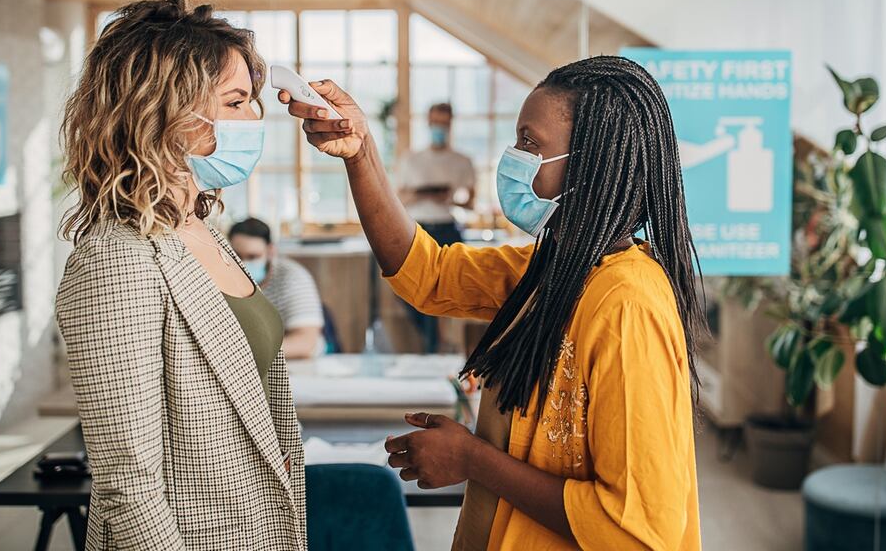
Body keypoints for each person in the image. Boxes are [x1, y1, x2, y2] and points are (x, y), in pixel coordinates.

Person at [279, 55, 704, 550]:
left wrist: (473, 459)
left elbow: (636, 529)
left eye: (531, 144)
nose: (514, 157)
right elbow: (427, 273)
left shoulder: (628, 304)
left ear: (592, 164)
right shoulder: (553, 269)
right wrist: (360, 153)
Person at [56, 0, 305, 551]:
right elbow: (130, 489)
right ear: (165, 110)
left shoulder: (201, 229)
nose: (255, 119)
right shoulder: (114, 260)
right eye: (236, 101)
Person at [396, 103, 477, 352]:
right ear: (428, 123)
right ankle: (431, 342)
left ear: (450, 124)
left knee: (447, 291)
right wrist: (422, 194)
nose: (439, 128)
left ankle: (441, 346)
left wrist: (449, 198)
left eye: (444, 123)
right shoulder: (411, 160)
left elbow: (471, 203)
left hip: (448, 229)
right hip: (418, 229)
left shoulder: (462, 161)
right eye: (435, 122)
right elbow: (398, 199)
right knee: (409, 290)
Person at [229, 217, 326, 359]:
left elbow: (306, 342)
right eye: (236, 257)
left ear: (270, 251)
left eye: (253, 256)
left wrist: (243, 354)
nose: (243, 264)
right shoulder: (225, 279)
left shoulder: (293, 278)